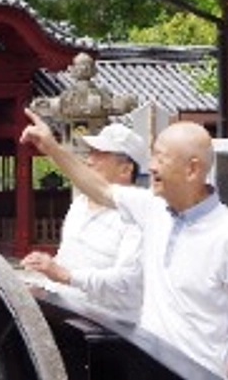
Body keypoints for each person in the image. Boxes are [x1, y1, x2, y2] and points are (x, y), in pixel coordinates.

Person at [21, 110, 228, 378]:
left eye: (161, 157)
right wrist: (52, 149)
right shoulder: (153, 208)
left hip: (197, 370)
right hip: (148, 361)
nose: (152, 167)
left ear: (192, 169)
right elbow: (100, 189)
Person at [20, 122, 145, 322]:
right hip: (64, 310)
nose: (89, 161)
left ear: (125, 169)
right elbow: (66, 260)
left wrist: (63, 275)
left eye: (100, 155)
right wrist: (45, 270)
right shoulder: (79, 204)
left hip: (108, 325)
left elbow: (126, 283)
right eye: (90, 153)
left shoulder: (137, 216)